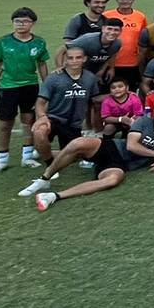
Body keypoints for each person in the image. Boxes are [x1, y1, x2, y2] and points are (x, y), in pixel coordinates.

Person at [31, 98, 154, 212]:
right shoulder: (143, 121)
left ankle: (53, 196)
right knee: (78, 143)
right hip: (113, 147)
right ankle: (45, 177)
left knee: (112, 180)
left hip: (121, 164)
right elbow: (131, 145)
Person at [18, 46, 99, 196]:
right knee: (39, 131)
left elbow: (93, 102)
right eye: (70, 58)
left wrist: (93, 127)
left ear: (84, 59)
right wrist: (42, 117)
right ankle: (49, 165)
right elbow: (40, 102)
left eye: (78, 57)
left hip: (74, 124)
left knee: (74, 156)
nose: (74, 61)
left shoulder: (89, 78)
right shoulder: (54, 77)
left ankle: (43, 152)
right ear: (65, 59)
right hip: (54, 119)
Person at [0, 7, 49, 175]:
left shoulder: (39, 42)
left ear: (33, 23)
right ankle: (2, 160)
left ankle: (27, 157)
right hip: (7, 87)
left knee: (28, 120)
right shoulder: (3, 42)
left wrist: (47, 87)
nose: (21, 24)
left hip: (30, 86)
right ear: (13, 23)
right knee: (5, 123)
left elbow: (42, 64)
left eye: (25, 21)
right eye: (17, 21)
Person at [105, 0, 147, 90]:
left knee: (130, 92)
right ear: (117, 0)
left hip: (132, 63)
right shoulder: (107, 15)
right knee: (110, 92)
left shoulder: (140, 16)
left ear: (133, 0)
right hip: (111, 63)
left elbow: (144, 38)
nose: (125, 1)